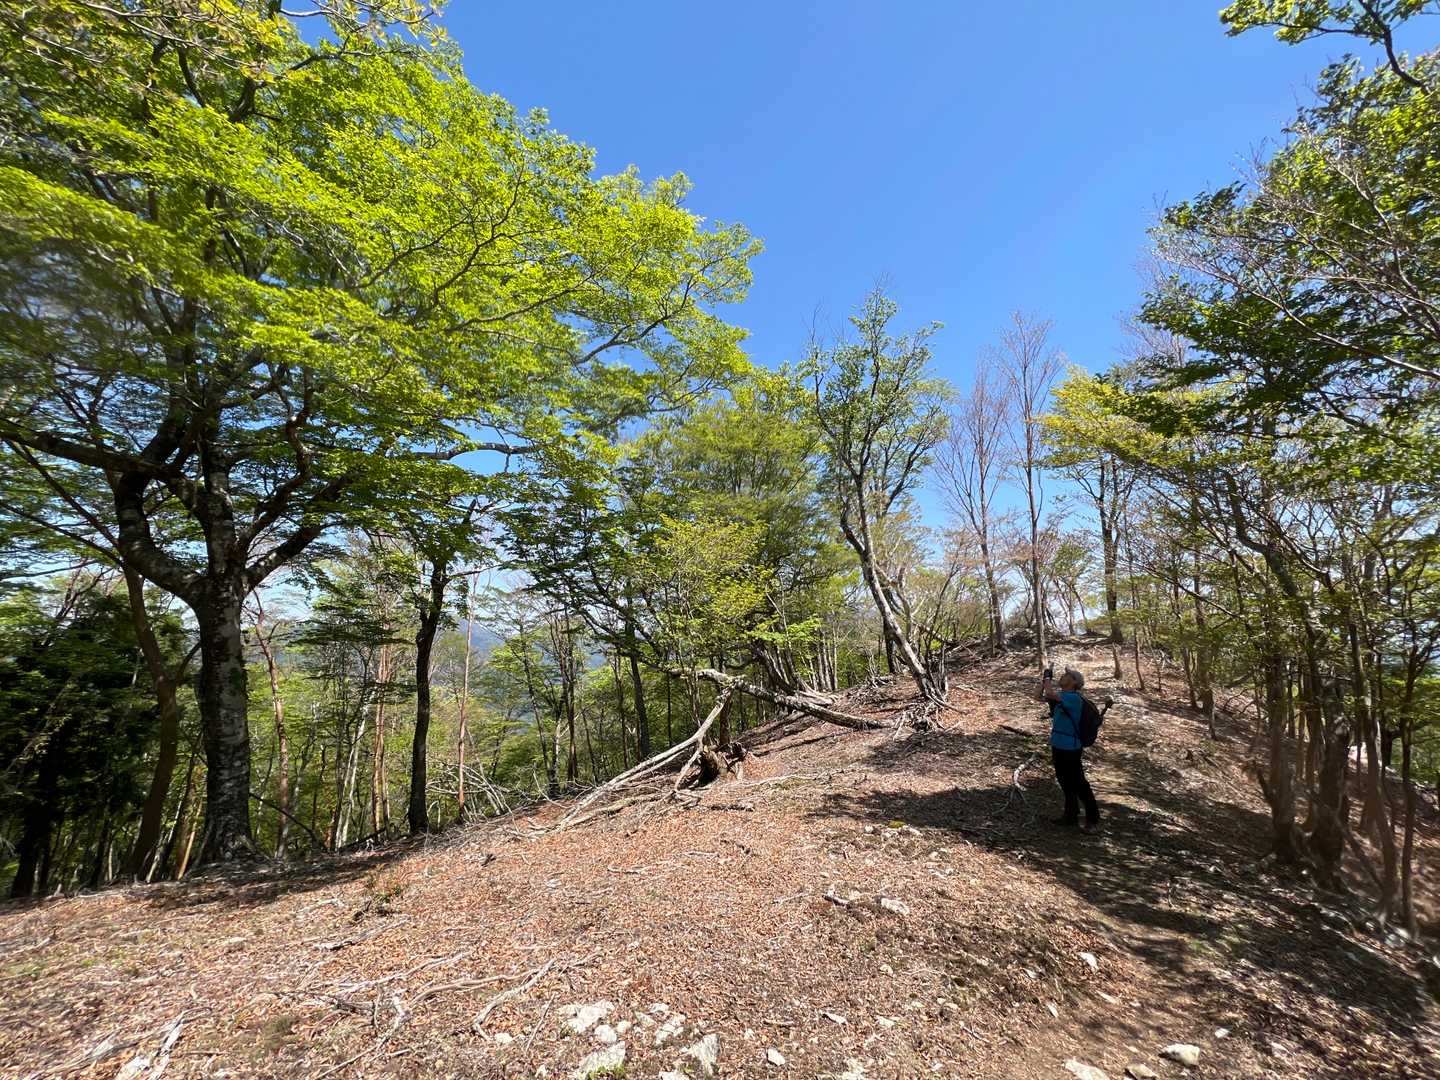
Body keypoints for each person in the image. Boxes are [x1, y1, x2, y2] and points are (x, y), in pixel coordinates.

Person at [1038, 666, 1099, 833]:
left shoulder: (1074, 698)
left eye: (1067, 675)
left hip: (1071, 747)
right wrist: (1044, 680)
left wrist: (1048, 679)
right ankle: (1070, 815)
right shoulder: (1061, 697)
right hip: (1058, 744)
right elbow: (1037, 696)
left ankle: (1092, 818)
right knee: (1064, 781)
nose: (1063, 676)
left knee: (1079, 782)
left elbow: (1049, 693)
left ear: (1074, 682)